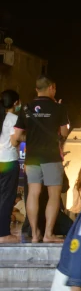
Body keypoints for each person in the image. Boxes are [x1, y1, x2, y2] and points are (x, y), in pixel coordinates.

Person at [13, 76, 70, 243]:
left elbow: (17, 136)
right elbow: (65, 133)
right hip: (51, 156)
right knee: (53, 195)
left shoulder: (26, 108)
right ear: (51, 88)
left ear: (36, 89)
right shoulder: (59, 108)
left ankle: (35, 234)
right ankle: (48, 234)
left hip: (32, 158)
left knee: (33, 193)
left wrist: (31, 138)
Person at [0, 90, 20, 242]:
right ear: (15, 103)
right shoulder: (14, 118)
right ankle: (3, 233)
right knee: (6, 198)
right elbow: (14, 141)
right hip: (8, 161)